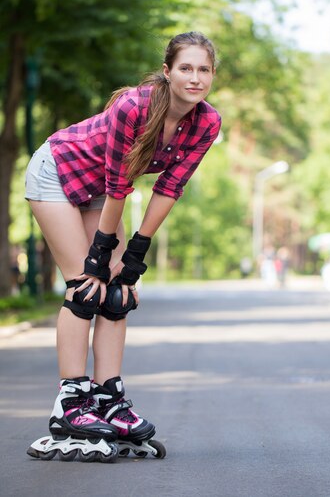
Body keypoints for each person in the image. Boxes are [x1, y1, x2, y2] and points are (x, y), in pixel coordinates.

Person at [25, 31, 221, 462]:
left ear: (212, 75)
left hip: (98, 192)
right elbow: (120, 184)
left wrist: (133, 256)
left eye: (203, 69)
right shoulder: (134, 106)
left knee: (119, 291)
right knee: (86, 284)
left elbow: (170, 188)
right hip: (56, 172)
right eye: (185, 68)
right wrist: (100, 254)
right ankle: (71, 403)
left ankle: (108, 397)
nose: (195, 78)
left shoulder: (207, 122)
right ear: (167, 72)